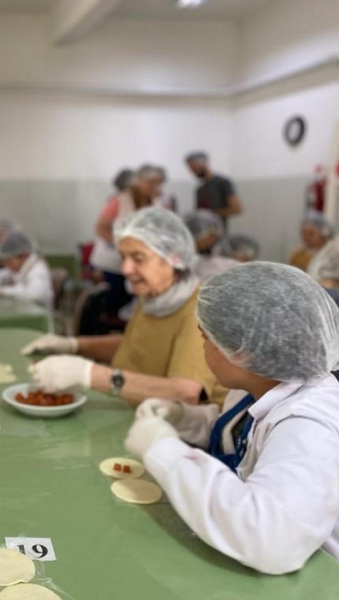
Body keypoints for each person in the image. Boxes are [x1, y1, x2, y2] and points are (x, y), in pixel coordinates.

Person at [124, 262, 339, 575]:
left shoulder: (309, 425)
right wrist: (183, 418)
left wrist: (165, 452)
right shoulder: (259, 382)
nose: (202, 349)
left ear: (243, 350)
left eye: (206, 338)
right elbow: (242, 434)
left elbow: (270, 540)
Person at [22, 207, 226, 407]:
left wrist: (90, 375)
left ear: (174, 259)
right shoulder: (154, 298)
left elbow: (185, 392)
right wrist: (73, 345)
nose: (126, 269)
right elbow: (134, 346)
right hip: (128, 405)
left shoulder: (197, 313)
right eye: (123, 257)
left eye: (138, 258)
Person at [90, 165, 162, 316]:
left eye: (157, 183)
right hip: (112, 261)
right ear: (138, 182)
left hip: (138, 259)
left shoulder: (156, 203)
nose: (155, 187)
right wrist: (120, 246)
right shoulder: (120, 201)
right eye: (150, 183)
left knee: (134, 299)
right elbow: (100, 227)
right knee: (115, 301)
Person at [0, 231, 53, 309]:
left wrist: (2, 291)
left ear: (24, 255)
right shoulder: (18, 268)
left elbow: (33, 294)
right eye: (5, 261)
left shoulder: (37, 270)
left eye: (9, 261)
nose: (6, 265)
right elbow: (1, 276)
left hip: (39, 314)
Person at [185, 151, 242, 229]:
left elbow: (236, 209)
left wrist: (211, 214)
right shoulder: (200, 189)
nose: (193, 173)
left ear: (203, 164)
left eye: (194, 169)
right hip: (202, 233)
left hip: (217, 232)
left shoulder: (223, 183)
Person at [183, 210, 238, 283]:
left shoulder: (206, 257)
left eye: (215, 237)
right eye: (211, 236)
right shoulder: (182, 258)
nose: (213, 240)